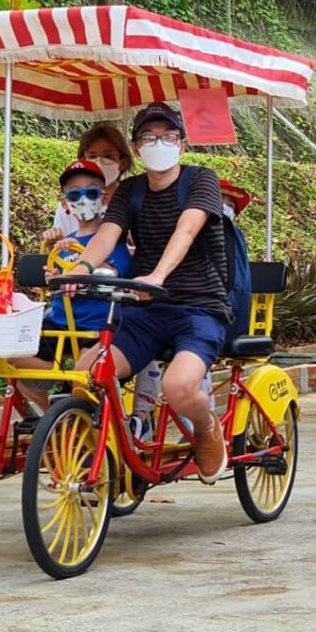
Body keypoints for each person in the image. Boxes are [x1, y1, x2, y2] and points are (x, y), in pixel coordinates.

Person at [69, 102, 232, 484]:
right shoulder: (130, 191)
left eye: (168, 136)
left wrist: (158, 273)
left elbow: (187, 230)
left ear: (182, 143)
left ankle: (206, 427)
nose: (158, 143)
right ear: (137, 147)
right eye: (148, 137)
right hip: (147, 308)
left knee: (177, 387)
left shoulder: (200, 179)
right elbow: (107, 235)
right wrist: (80, 269)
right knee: (85, 372)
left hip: (200, 310)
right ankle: (117, 444)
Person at [127, 178, 252, 439]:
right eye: (220, 200)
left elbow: (234, 284)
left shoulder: (224, 233)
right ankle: (141, 417)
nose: (222, 206)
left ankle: (201, 425)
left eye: (228, 203)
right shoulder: (167, 231)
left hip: (211, 313)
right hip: (161, 311)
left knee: (186, 370)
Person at [10, 160, 131, 412]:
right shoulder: (65, 244)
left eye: (91, 192)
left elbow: (110, 271)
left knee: (90, 364)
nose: (84, 200)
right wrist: (56, 276)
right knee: (13, 353)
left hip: (95, 325)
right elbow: (59, 279)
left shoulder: (111, 241)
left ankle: (71, 387)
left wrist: (80, 268)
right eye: (75, 194)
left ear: (103, 197)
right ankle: (57, 397)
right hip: (61, 322)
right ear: (65, 203)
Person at [52, 125, 134, 237]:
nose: (99, 162)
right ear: (82, 160)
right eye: (92, 156)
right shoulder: (70, 205)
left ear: (123, 162)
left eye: (108, 156)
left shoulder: (134, 201)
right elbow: (57, 251)